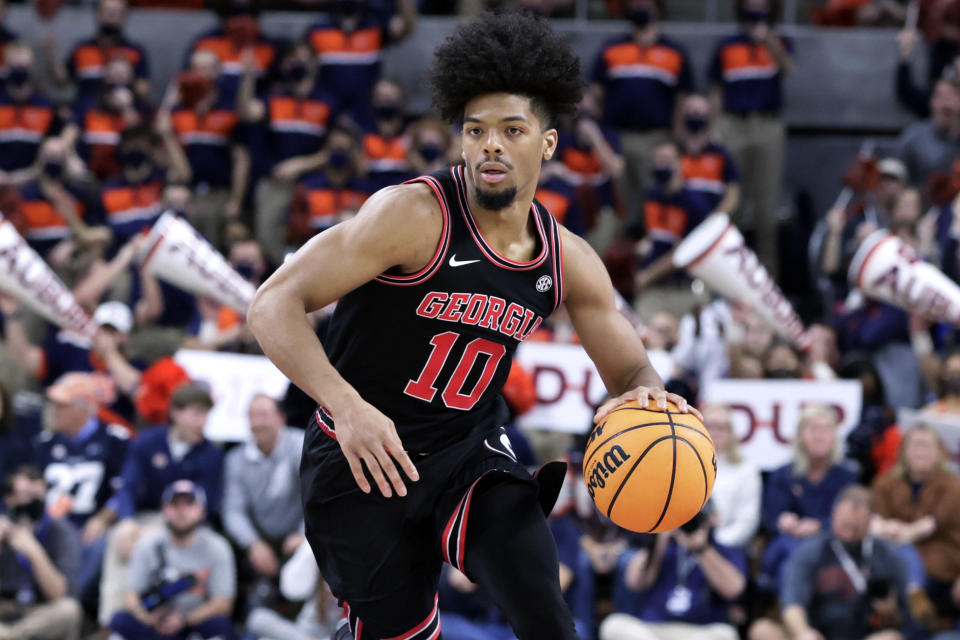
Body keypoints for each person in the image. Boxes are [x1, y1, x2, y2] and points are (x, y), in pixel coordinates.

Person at [247, 11, 699, 640]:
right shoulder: (412, 216)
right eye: (476, 129)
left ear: (546, 142)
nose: (491, 143)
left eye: (512, 129)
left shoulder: (566, 257)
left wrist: (646, 389)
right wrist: (345, 406)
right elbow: (271, 305)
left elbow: (629, 367)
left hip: (469, 453)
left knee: (548, 615)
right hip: (360, 459)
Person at [748, 485, 909, 640]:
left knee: (891, 638)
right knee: (762, 630)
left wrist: (891, 614)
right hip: (816, 633)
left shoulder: (885, 554)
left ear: (870, 522)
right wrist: (803, 632)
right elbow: (792, 604)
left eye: (856, 528)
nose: (849, 534)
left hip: (862, 634)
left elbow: (908, 609)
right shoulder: (810, 550)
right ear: (834, 514)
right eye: (845, 526)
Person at [710, 0, 793, 277]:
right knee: (730, 205)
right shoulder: (727, 44)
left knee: (767, 209)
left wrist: (768, 39)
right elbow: (715, 89)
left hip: (767, 125)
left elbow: (788, 68)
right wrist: (714, 127)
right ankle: (726, 277)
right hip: (733, 124)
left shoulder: (778, 41)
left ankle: (768, 281)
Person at [590, 0, 693, 223]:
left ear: (658, 9)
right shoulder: (611, 48)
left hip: (655, 138)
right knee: (618, 203)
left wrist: (676, 137)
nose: (641, 6)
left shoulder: (674, 51)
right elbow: (595, 92)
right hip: (616, 137)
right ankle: (617, 255)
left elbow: (682, 98)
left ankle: (650, 249)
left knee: (654, 199)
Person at [108, 480, 236, 640]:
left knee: (220, 625)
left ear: (202, 511)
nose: (181, 511)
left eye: (189, 504)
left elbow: (223, 603)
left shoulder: (217, 547)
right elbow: (130, 596)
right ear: (164, 510)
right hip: (154, 625)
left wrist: (185, 620)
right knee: (120, 621)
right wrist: (148, 618)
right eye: (174, 504)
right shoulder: (148, 544)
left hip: (193, 624)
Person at [600, 507, 747, 640]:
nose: (689, 523)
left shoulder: (724, 550)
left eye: (697, 518)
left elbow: (733, 589)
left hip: (700, 631)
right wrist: (659, 539)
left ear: (713, 519)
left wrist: (702, 549)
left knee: (726, 634)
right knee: (613, 625)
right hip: (653, 630)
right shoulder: (664, 546)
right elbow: (634, 582)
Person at [760, 405, 857, 590]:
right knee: (791, 554)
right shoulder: (782, 475)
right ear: (800, 436)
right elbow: (770, 516)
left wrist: (819, 525)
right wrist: (783, 520)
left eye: (825, 429)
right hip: (791, 541)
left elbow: (850, 521)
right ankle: (793, 609)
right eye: (813, 429)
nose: (819, 436)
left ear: (835, 437)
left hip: (832, 544)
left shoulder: (847, 476)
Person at [872, 423, 960, 623]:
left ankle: (914, 596)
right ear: (904, 451)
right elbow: (875, 519)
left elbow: (931, 524)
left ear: (939, 452)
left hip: (941, 563)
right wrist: (885, 528)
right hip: (893, 555)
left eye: (927, 446)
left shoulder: (952, 485)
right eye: (915, 446)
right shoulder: (886, 483)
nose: (921, 452)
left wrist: (897, 531)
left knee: (905, 550)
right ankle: (913, 593)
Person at [223, 394, 305, 602]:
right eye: (252, 416)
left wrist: (304, 534)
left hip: (301, 534)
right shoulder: (236, 459)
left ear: (281, 418)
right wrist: (252, 542)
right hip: (261, 537)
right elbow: (233, 510)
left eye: (263, 415)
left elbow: (318, 496)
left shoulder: (302, 446)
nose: (257, 423)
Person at [0, 465, 82, 640]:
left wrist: (34, 552)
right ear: (9, 499)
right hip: (4, 606)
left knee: (69, 610)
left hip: (39, 612)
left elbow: (59, 595)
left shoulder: (62, 531)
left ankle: (11, 637)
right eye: (27, 496)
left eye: (39, 496)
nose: (34, 503)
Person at [51, 0, 150, 100]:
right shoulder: (82, 48)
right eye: (107, 11)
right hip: (85, 111)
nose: (111, 15)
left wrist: (125, 77)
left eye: (117, 12)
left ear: (125, 17)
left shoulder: (135, 51)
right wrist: (52, 53)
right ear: (97, 14)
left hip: (120, 111)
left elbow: (143, 90)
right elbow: (61, 82)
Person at [702, 404, 761, 548]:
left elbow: (747, 521)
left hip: (725, 545)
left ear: (731, 432)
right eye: (709, 426)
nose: (715, 432)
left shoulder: (746, 470)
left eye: (721, 427)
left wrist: (716, 542)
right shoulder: (682, 465)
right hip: (683, 544)